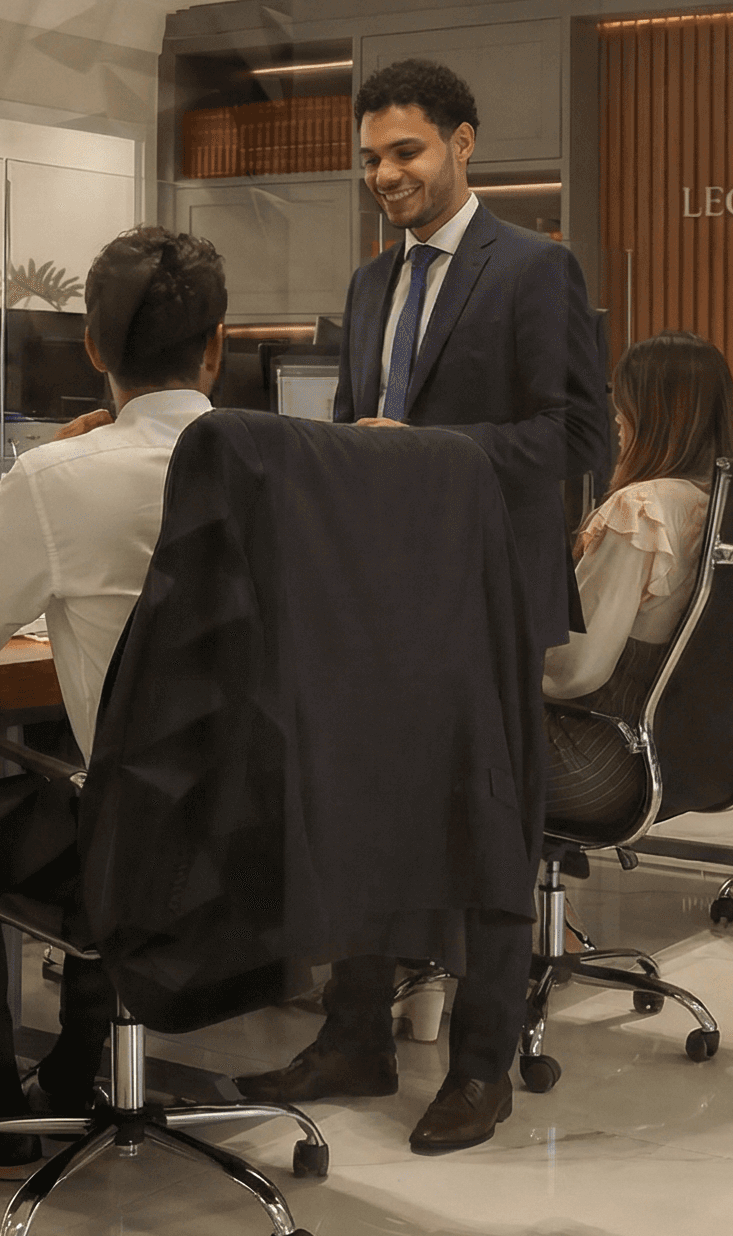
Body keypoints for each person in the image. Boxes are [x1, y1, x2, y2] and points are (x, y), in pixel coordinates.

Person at [233, 56, 612, 1157]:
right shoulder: (369, 286)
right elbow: (359, 429)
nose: (385, 175)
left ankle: (484, 1062)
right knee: (359, 810)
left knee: (490, 826)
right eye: (371, 159)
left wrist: (426, 452)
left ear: (463, 143)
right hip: (376, 592)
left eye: (405, 151)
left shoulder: (534, 268)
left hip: (488, 592)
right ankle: (356, 1035)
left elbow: (578, 435)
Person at [0, 226, 226, 1179]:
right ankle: (74, 1068)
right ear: (217, 345)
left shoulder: (63, 477)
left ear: (93, 349)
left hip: (135, 845)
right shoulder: (288, 467)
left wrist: (31, 487)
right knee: (91, 795)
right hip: (257, 834)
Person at [540, 332, 733, 837]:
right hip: (680, 756)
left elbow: (574, 671)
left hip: (596, 761)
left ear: (654, 411)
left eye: (624, 400)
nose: (616, 417)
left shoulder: (643, 509)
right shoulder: (724, 504)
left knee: (416, 723)